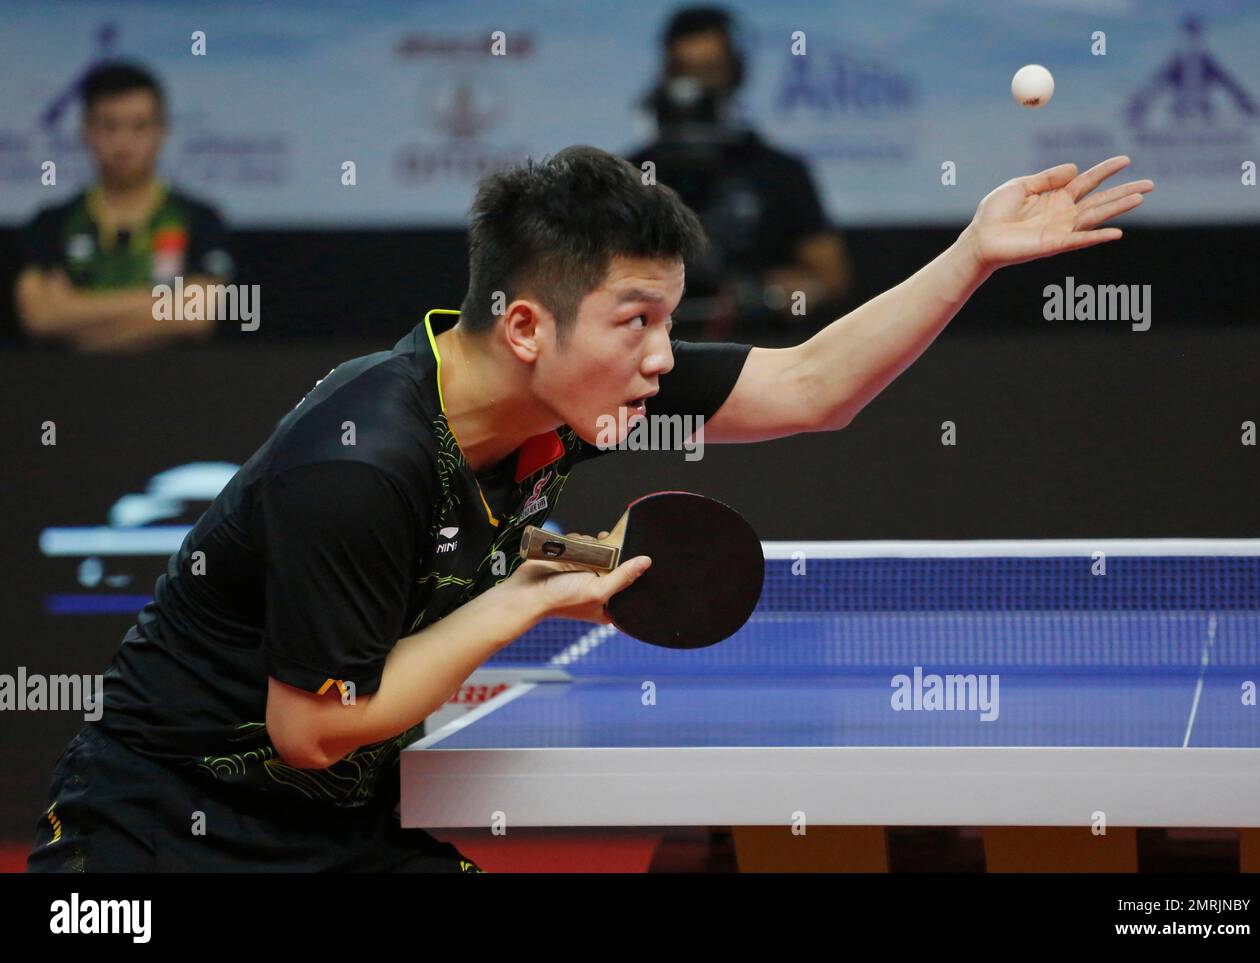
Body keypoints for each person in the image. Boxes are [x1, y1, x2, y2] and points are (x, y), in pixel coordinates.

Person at [28, 145, 1150, 872]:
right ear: (526, 328)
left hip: (344, 834)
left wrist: (972, 256)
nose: (662, 357)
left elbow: (811, 388)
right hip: (157, 835)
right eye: (635, 322)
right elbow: (314, 728)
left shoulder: (569, 395)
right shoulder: (358, 463)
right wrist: (528, 599)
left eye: (669, 320)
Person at [630, 6, 851, 336]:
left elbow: (831, 276)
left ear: (736, 74)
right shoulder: (630, 176)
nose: (694, 86)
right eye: (683, 70)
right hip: (655, 362)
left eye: (708, 70)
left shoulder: (780, 172)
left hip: (756, 354)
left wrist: (790, 292)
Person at [14, 61, 234, 353]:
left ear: (162, 131)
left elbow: (198, 315)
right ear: (86, 131)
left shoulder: (200, 218)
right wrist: (164, 304)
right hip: (67, 390)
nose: (123, 142)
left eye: (139, 126)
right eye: (109, 126)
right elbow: (40, 317)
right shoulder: (52, 222)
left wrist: (73, 310)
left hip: (178, 389)